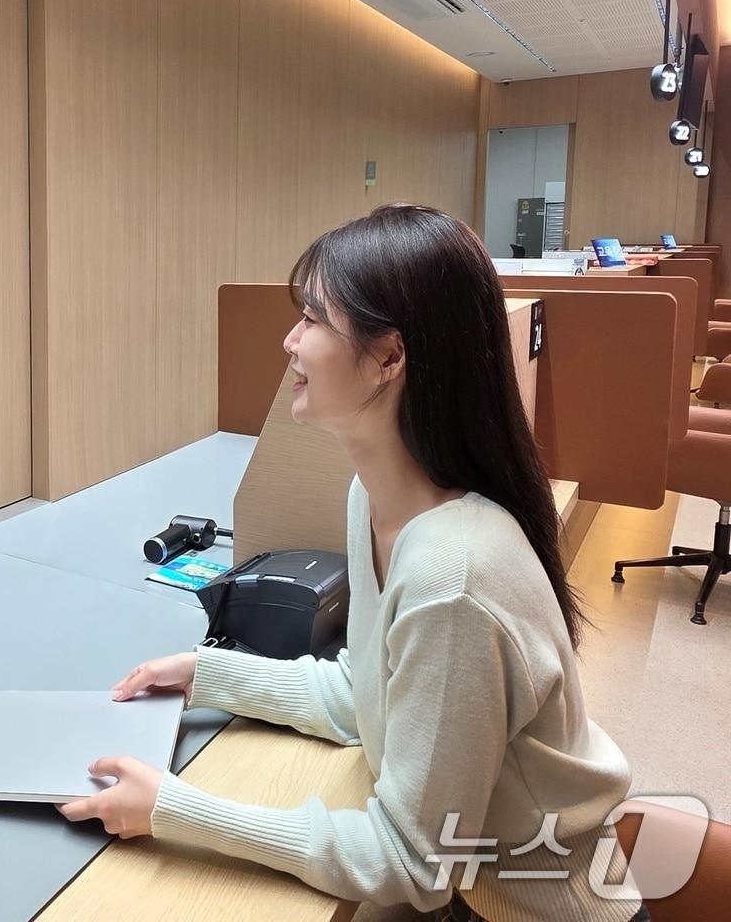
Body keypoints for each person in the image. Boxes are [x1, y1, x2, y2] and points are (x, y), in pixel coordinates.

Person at [60, 204, 647, 921]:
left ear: (390, 358)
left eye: (311, 319)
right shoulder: (371, 501)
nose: (289, 340)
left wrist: (176, 810)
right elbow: (364, 696)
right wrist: (206, 673)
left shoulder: (452, 579)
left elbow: (410, 863)